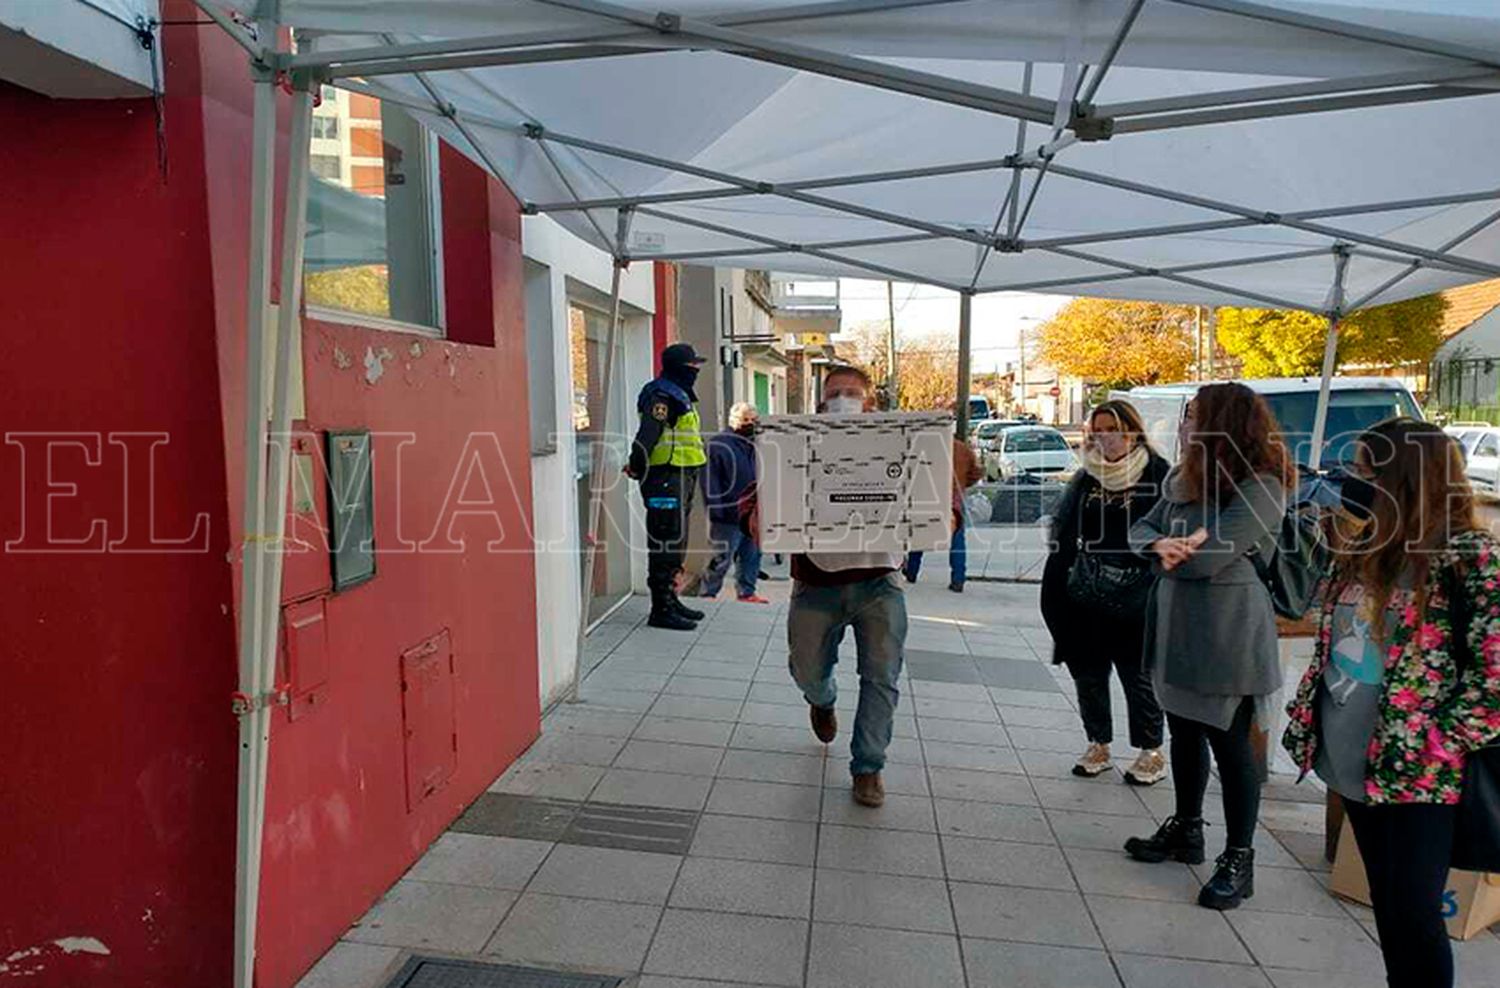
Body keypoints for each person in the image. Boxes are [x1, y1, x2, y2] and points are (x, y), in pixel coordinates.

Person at [1283, 419, 1500, 988]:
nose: (1351, 481)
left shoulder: (1469, 555)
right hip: (1351, 757)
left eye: (1364, 470)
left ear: (1403, 478)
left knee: (1413, 911)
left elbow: (1496, 674)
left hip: (1421, 776)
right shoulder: (1367, 545)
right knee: (1389, 902)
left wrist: (1438, 738)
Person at [1124, 382, 1294, 910]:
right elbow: (1142, 528)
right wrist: (1161, 544)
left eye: (1195, 415)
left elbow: (1206, 559)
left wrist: (1176, 549)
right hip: (1176, 620)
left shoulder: (1263, 485)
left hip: (1228, 630)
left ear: (1224, 423)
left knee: (1232, 744)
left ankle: (1239, 859)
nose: (1185, 424)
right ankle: (1187, 829)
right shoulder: (1182, 475)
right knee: (1185, 732)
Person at [788, 364, 908, 807]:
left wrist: (946, 517)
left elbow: (938, 483)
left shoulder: (902, 442)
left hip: (879, 579)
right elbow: (762, 492)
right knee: (807, 668)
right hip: (817, 580)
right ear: (820, 402)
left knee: (882, 676)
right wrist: (754, 515)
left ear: (871, 403)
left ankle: (868, 768)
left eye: (852, 393)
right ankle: (822, 699)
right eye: (834, 393)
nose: (843, 399)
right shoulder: (796, 442)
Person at [1040, 400, 1170, 784]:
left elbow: (1168, 532)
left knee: (1137, 676)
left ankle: (1151, 752)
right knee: (1089, 674)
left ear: (1133, 430)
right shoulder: (1086, 477)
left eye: (1113, 428)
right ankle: (1098, 743)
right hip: (1087, 593)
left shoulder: (1159, 475)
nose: (1105, 438)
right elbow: (1063, 531)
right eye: (1097, 430)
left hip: (1137, 594)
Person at [626, 342, 709, 631]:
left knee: (676, 540)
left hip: (682, 475)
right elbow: (647, 435)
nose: (696, 371)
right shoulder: (661, 394)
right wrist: (636, 464)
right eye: (692, 367)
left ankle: (671, 599)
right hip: (664, 477)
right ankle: (660, 609)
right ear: (680, 368)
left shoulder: (680, 393)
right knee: (664, 540)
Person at [701, 402, 768, 604]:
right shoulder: (718, 444)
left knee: (752, 555)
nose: (749, 424)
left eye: (753, 420)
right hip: (727, 514)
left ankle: (747, 592)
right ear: (733, 421)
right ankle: (707, 594)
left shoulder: (759, 444)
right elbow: (709, 480)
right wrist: (716, 510)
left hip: (754, 513)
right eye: (744, 420)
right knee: (720, 557)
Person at [903, 433, 983, 592]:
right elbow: (976, 472)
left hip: (929, 497)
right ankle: (958, 579)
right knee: (957, 539)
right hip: (954, 499)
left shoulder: (928, 447)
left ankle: (912, 571)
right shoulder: (963, 449)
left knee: (920, 534)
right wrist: (962, 483)